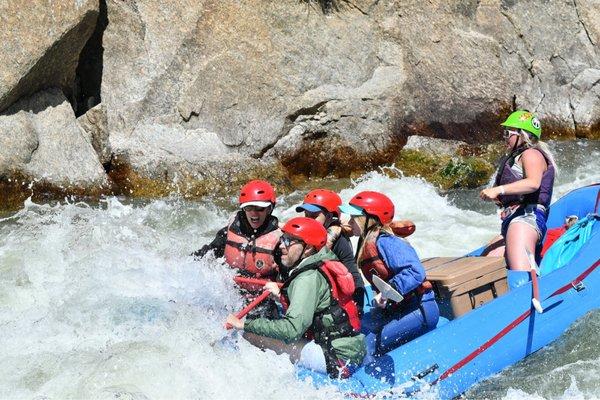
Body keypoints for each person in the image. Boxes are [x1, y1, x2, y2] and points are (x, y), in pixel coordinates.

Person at [226, 217, 366, 379]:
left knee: (250, 335)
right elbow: (318, 302)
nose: (282, 246)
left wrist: (243, 324)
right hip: (350, 349)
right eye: (283, 239)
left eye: (290, 242)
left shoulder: (306, 278)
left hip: (336, 359)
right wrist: (281, 295)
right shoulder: (321, 261)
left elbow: (292, 330)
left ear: (307, 249)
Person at [339, 191, 439, 364]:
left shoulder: (387, 242)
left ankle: (368, 386)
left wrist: (385, 293)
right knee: (355, 331)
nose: (349, 222)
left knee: (366, 344)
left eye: (353, 218)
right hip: (396, 308)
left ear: (368, 219)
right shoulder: (368, 239)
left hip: (419, 308)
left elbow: (416, 272)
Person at [479, 110, 557, 287]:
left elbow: (533, 183)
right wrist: (498, 198)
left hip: (525, 220)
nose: (504, 137)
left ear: (522, 135)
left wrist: (500, 189)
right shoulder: (515, 158)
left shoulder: (532, 154)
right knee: (486, 264)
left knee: (521, 278)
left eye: (508, 133)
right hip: (513, 219)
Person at [193, 180, 282, 282]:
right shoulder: (229, 232)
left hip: (264, 295)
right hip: (231, 292)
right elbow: (206, 255)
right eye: (248, 208)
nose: (254, 213)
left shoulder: (281, 241)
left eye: (259, 208)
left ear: (269, 209)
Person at [295, 189, 366, 311]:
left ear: (329, 216)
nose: (309, 220)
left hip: (334, 298)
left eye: (314, 216)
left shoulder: (340, 241)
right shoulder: (303, 235)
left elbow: (353, 275)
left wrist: (357, 308)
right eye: (306, 215)